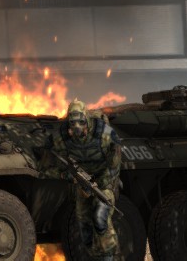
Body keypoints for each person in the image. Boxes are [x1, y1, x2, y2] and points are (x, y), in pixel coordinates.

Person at [37, 99, 125, 261]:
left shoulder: (104, 134)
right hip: (80, 183)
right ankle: (95, 256)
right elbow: (44, 167)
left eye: (81, 122)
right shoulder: (60, 138)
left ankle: (110, 256)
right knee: (85, 228)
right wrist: (66, 175)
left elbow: (115, 161)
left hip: (103, 181)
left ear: (87, 119)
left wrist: (105, 182)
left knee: (100, 218)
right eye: (73, 123)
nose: (77, 126)